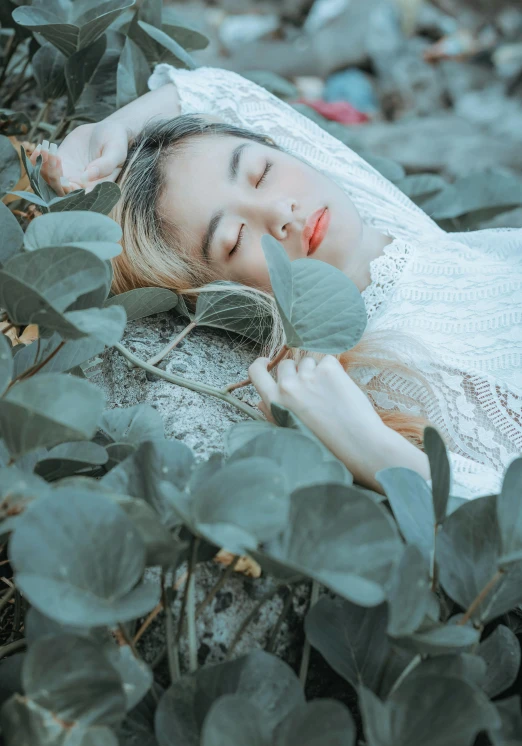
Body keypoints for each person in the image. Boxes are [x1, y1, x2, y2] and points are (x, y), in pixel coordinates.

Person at [32, 65, 522, 499]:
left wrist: (108, 131)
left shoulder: (378, 214)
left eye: (261, 172)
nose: (280, 212)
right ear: (222, 294)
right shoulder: (375, 367)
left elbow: (221, 90)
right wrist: (375, 453)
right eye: (235, 238)